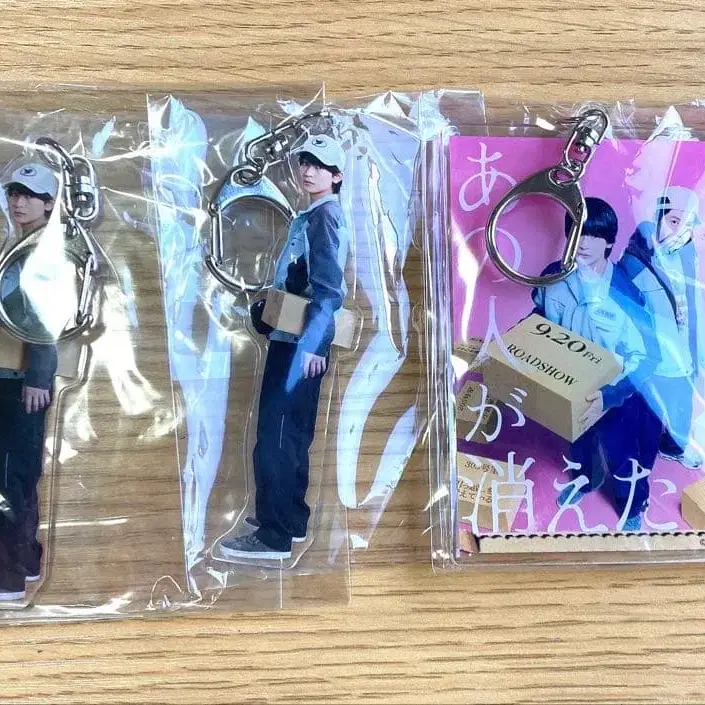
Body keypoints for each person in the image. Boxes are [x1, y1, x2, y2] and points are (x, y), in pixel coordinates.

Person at [220, 134, 348, 559]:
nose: (308, 171)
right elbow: (299, 282)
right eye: (304, 162)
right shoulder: (314, 216)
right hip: (293, 339)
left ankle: (273, 535)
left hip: (299, 347)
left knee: (276, 435)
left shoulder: (323, 219)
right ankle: (288, 520)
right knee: (287, 434)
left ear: (337, 175)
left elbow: (329, 292)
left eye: (319, 165)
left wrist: (312, 346)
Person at [532, 197, 660, 531]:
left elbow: (649, 356)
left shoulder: (627, 294)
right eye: (577, 232)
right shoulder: (551, 277)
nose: (583, 243)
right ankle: (587, 480)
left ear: (609, 242)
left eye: (593, 235)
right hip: (569, 385)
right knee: (579, 444)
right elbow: (540, 318)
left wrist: (611, 395)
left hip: (615, 392)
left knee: (623, 454)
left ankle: (633, 505)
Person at [0, 163, 59, 600]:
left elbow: (49, 317)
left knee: (9, 477)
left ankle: (8, 575)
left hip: (21, 379)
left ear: (49, 203)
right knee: (15, 474)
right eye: (14, 194)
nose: (19, 202)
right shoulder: (19, 244)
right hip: (10, 374)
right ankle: (26, 559)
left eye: (29, 195)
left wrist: (38, 375)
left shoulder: (46, 252)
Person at [618, 187, 704, 470]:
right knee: (647, 410)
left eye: (687, 224)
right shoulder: (634, 261)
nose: (680, 232)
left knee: (682, 405)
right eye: (674, 221)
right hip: (653, 355)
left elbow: (692, 303)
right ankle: (638, 457)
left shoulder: (687, 255)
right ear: (658, 217)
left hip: (685, 351)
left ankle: (674, 446)